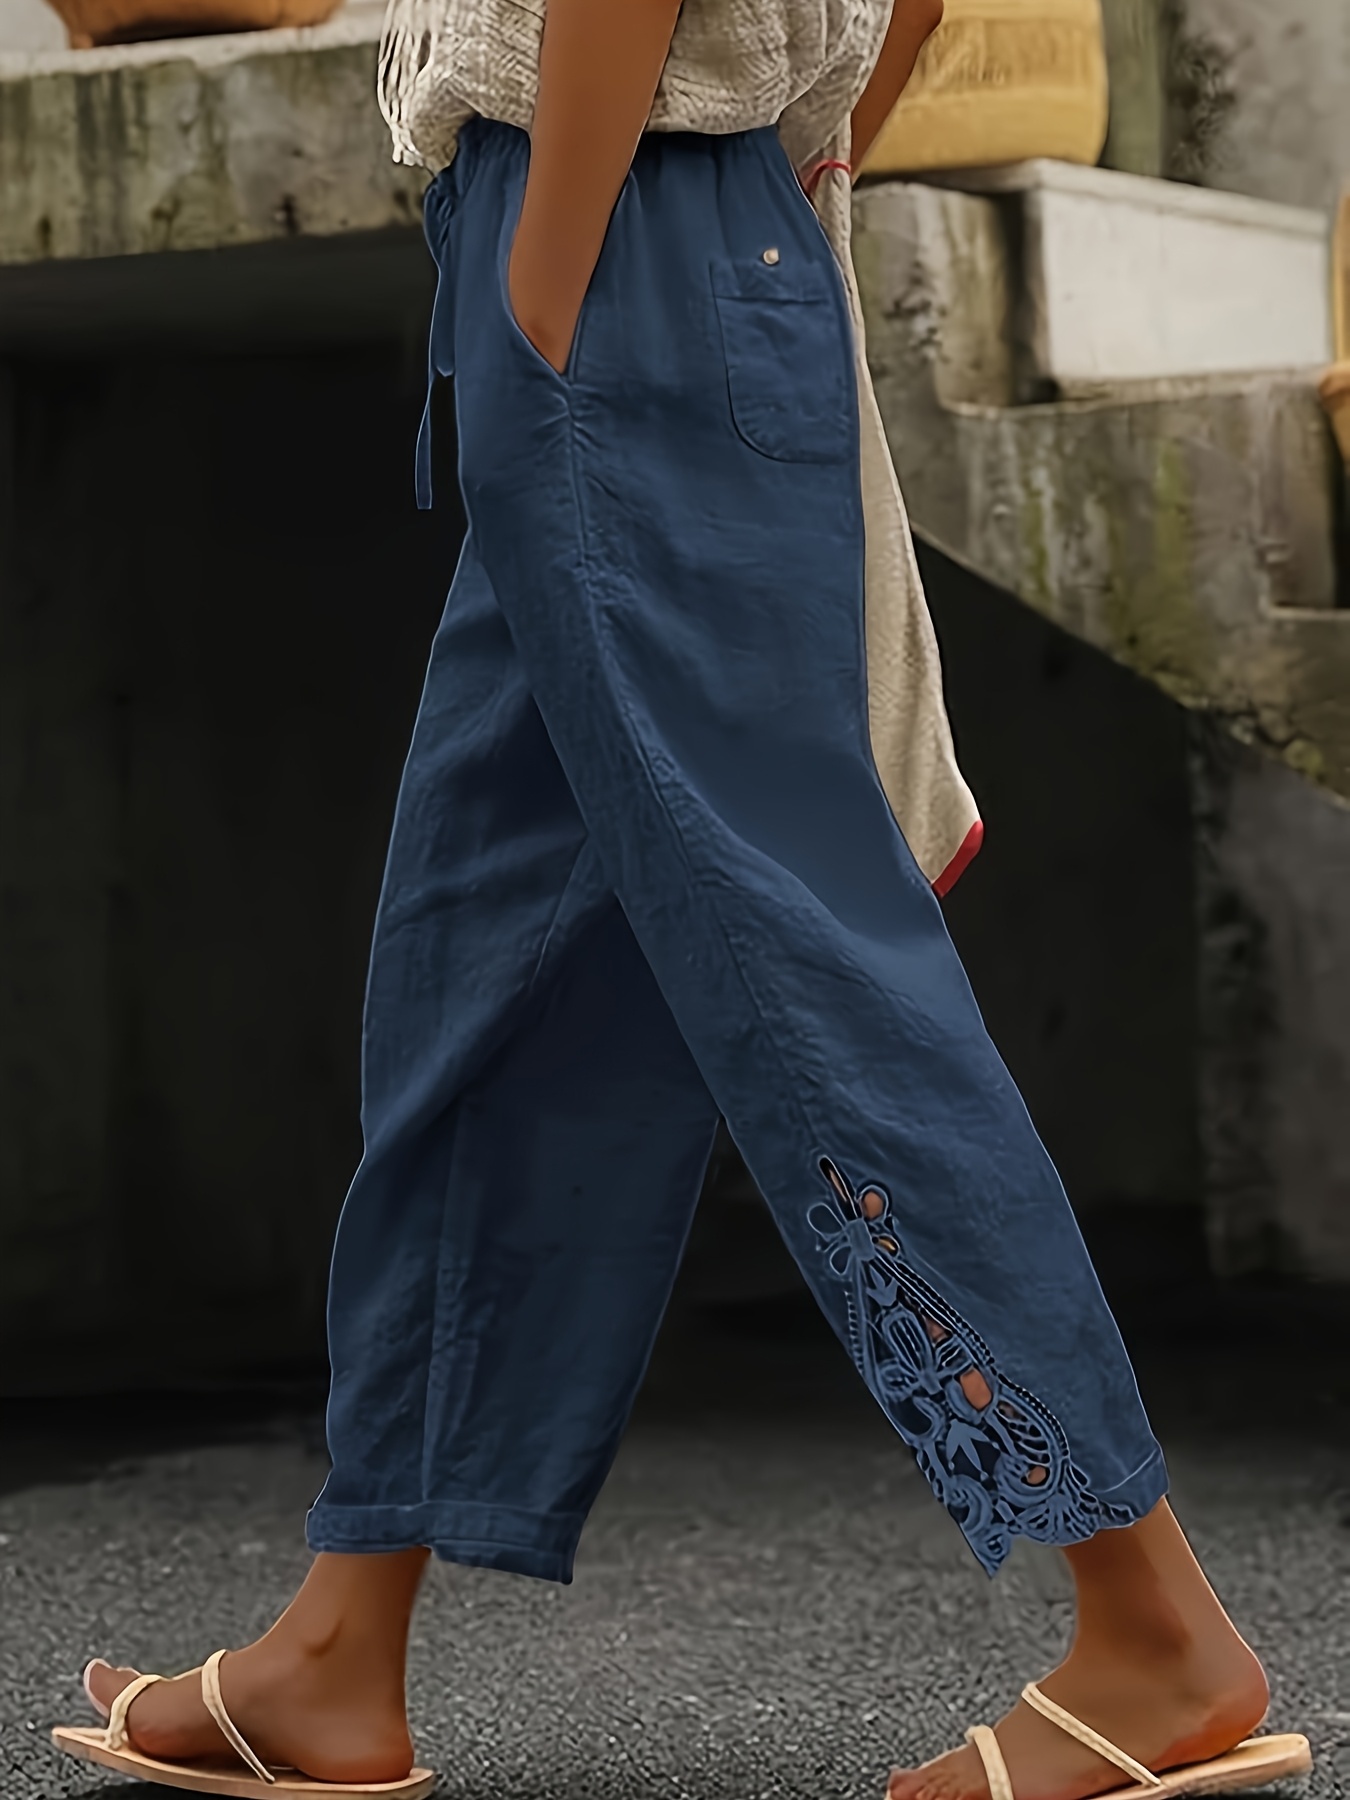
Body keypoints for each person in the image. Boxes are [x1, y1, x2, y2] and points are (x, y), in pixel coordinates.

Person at [54, 2, 1312, 1797]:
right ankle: (337, 1647)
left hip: (610, 247)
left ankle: (1152, 1622)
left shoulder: (582, 251)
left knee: (805, 978)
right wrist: (784, 168)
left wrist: (545, 289)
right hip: (667, 237)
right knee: (481, 966)